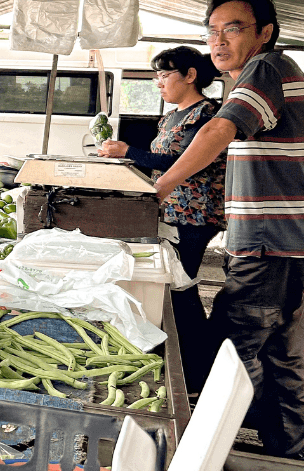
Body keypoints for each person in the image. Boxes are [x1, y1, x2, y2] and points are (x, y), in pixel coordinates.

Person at [154, 0, 304, 458]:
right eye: (212, 31)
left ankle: (212, 451)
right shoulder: (274, 75)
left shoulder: (266, 69)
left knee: (228, 349)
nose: (219, 40)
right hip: (296, 243)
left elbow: (217, 130)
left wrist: (159, 188)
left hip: (270, 245)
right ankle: (282, 451)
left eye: (233, 28)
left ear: (265, 33)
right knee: (285, 354)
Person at [97, 46, 225, 391]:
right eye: (156, 76)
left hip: (195, 214)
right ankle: (183, 362)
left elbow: (182, 163)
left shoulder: (207, 115)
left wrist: (128, 152)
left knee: (181, 285)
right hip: (168, 210)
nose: (158, 83)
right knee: (169, 285)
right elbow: (160, 159)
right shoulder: (171, 117)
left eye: (165, 75)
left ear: (190, 75)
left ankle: (198, 369)